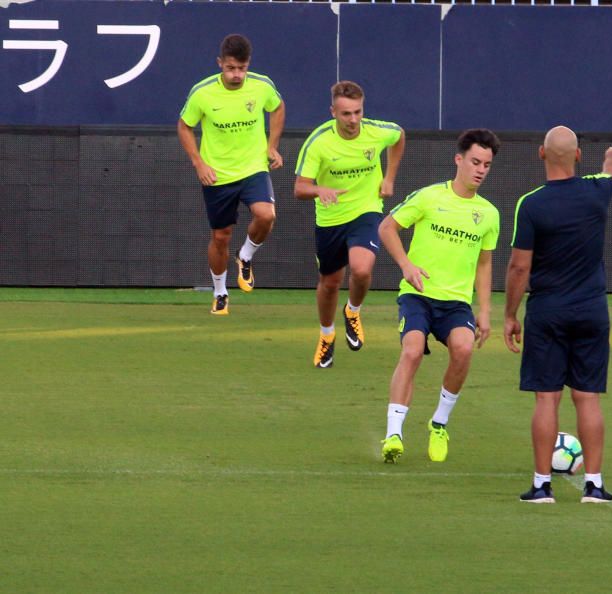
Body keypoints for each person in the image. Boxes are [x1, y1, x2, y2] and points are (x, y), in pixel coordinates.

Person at [503, 126, 612, 504]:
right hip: (591, 309)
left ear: (541, 154)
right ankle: (594, 484)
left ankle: (542, 485)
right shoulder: (597, 191)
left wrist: (510, 315)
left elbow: (519, 268)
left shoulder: (532, 203)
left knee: (546, 399)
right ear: (577, 156)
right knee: (587, 399)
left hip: (548, 311)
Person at [377, 129, 501, 463]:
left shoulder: (489, 214)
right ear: (458, 160)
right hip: (417, 295)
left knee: (463, 349)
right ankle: (393, 433)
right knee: (413, 351)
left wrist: (486, 311)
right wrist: (406, 265)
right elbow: (387, 227)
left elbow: (485, 264)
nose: (480, 170)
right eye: (475, 161)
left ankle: (439, 423)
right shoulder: (429, 197)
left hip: (456, 302)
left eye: (487, 165)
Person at [294, 81, 405, 368]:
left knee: (361, 269)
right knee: (330, 283)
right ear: (333, 112)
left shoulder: (377, 132)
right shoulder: (318, 142)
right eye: (346, 114)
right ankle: (327, 335)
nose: (353, 120)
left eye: (357, 112)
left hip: (366, 211)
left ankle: (353, 311)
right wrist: (320, 190)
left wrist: (389, 178)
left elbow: (399, 136)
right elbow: (300, 188)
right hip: (330, 219)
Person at [178, 33, 285, 315]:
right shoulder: (202, 93)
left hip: (253, 168)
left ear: (248, 64)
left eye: (242, 68)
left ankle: (246, 256)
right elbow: (184, 126)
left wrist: (272, 146)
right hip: (218, 175)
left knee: (266, 215)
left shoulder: (262, 87)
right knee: (221, 236)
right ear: (220, 64)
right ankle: (220, 291)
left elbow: (277, 108)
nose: (236, 74)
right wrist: (199, 163)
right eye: (230, 68)